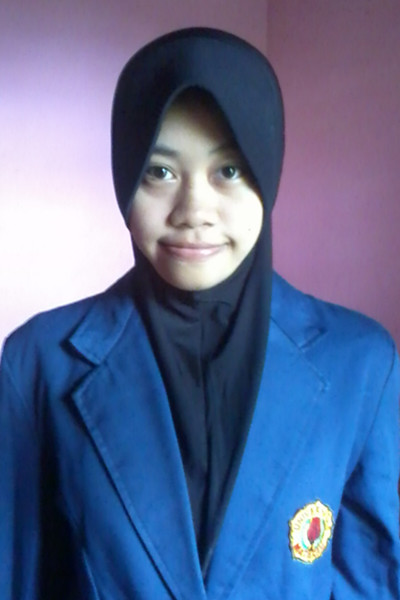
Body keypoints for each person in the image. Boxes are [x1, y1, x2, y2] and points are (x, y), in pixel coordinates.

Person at [0, 27, 399, 600]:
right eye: (159, 171)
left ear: (267, 170)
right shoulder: (38, 363)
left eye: (228, 170)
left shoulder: (361, 365)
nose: (193, 211)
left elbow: (370, 581)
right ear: (124, 176)